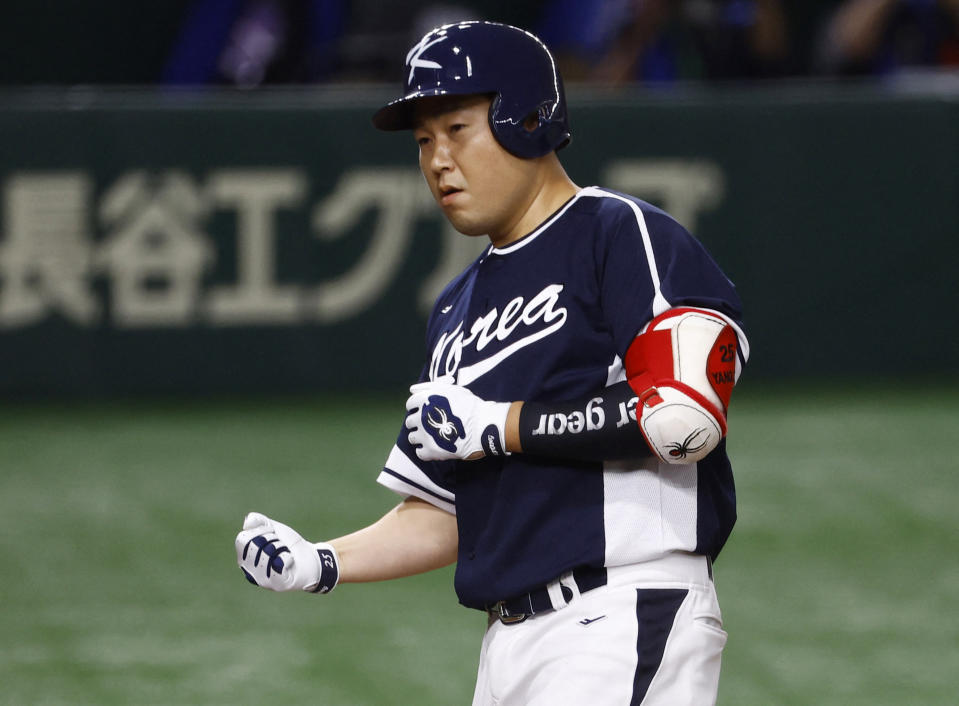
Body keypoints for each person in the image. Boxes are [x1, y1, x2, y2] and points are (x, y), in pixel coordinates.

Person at [235, 20, 749, 705]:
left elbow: (683, 417)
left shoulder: (618, 235)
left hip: (620, 613)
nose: (436, 160)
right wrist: (320, 562)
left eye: (456, 129)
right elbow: (443, 511)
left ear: (526, 118)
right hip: (509, 645)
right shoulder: (455, 309)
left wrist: (503, 424)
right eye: (423, 141)